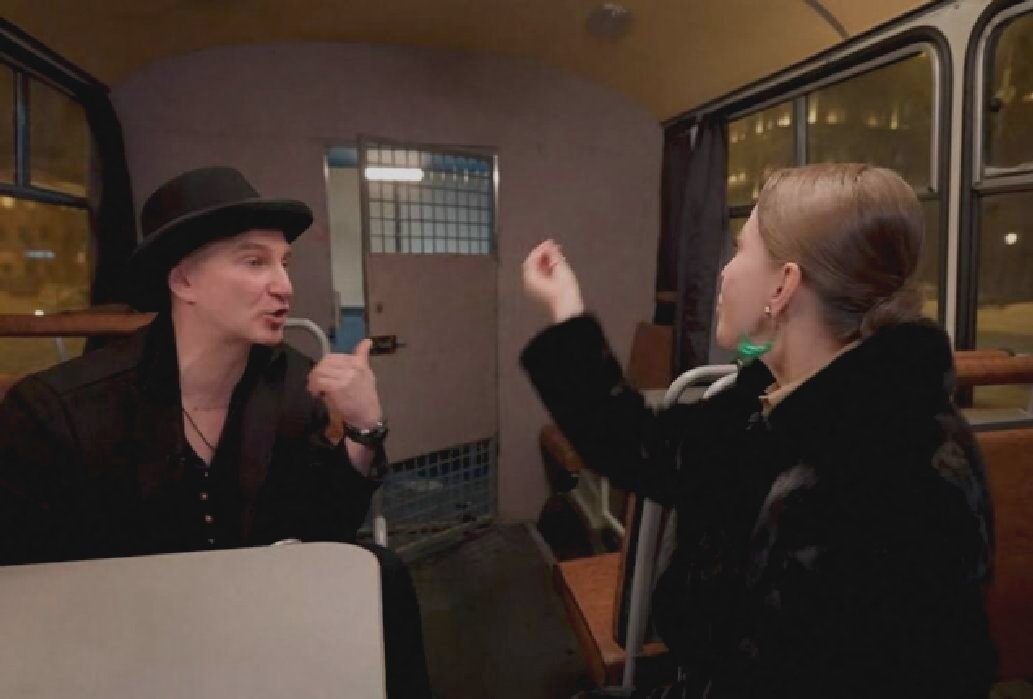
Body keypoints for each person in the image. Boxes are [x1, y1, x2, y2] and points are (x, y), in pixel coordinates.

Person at [521, 163, 997, 698]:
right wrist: (566, 306)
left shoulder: (882, 477)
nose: (724, 272)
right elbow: (649, 448)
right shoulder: (786, 401)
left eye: (739, 250)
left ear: (783, 284)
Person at [0, 166, 430, 698]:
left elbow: (322, 537)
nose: (285, 286)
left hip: (252, 628)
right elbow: (29, 589)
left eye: (284, 263)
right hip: (116, 644)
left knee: (382, 574)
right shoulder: (58, 412)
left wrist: (364, 428)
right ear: (183, 281)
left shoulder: (294, 386)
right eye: (254, 262)